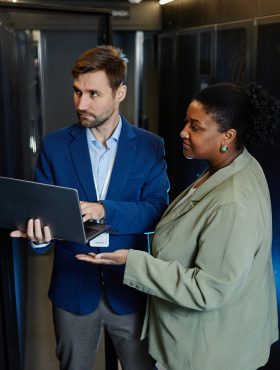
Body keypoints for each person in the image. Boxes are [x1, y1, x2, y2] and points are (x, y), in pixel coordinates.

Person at [76, 82, 280, 370]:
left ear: (228, 136)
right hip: (204, 338)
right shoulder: (230, 166)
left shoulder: (233, 202)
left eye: (195, 127)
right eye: (187, 121)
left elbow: (207, 289)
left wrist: (133, 262)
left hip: (211, 352)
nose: (183, 131)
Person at [11, 45, 169, 370]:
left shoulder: (150, 146)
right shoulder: (54, 146)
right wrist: (40, 237)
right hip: (72, 288)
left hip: (130, 288)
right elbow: (43, 213)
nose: (81, 104)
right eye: (77, 92)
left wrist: (103, 210)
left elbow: (156, 210)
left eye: (94, 93)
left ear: (120, 92)